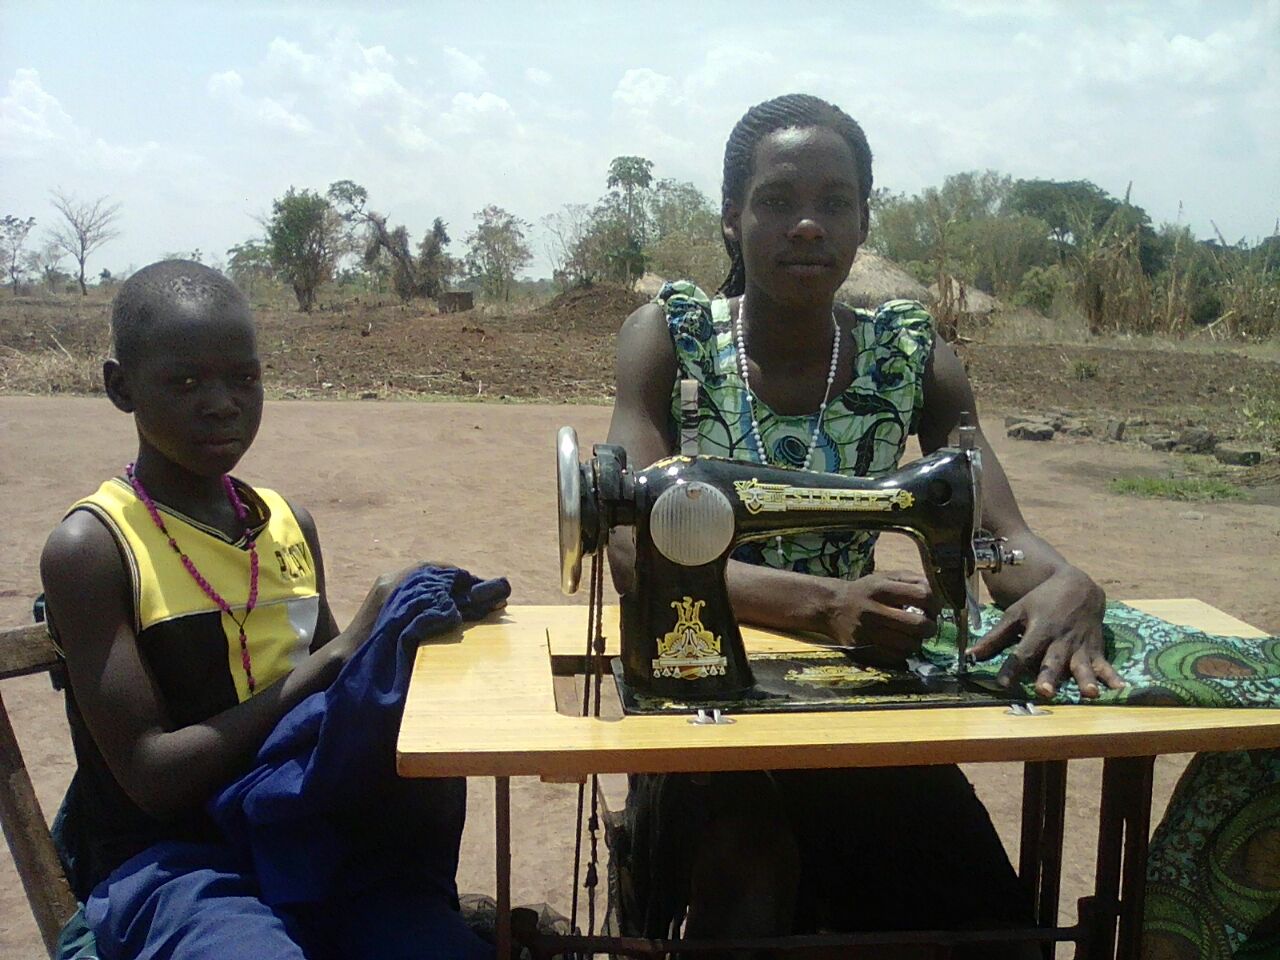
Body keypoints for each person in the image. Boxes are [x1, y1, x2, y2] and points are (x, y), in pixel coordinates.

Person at [605, 94, 1123, 956]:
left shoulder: (913, 359)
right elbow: (632, 543)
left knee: (992, 928)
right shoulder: (670, 339)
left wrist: (1071, 583)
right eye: (776, 201)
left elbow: (996, 538)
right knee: (755, 874)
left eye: (834, 203)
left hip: (858, 700)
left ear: (863, 221)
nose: (807, 225)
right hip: (699, 687)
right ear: (731, 218)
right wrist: (825, 606)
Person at [39, 260, 492, 960]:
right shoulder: (95, 547)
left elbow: (335, 715)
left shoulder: (288, 523)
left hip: (297, 828)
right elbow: (154, 778)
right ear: (120, 386)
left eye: (243, 379)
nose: (221, 404)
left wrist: (402, 638)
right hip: (170, 862)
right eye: (186, 382)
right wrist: (339, 656)